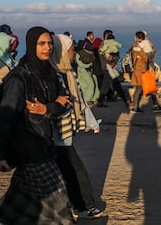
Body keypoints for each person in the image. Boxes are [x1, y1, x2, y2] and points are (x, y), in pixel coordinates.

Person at [0, 26, 74, 224]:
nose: (47, 48)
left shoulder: (49, 74)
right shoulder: (19, 78)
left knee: (19, 206)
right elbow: (5, 117)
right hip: (29, 149)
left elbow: (64, 104)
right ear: (31, 46)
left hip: (45, 144)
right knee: (58, 196)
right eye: (41, 44)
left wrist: (48, 108)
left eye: (49, 44)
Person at [47, 34, 104, 219]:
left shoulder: (67, 73)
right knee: (74, 172)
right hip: (55, 135)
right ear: (62, 52)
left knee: (70, 172)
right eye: (71, 50)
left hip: (64, 134)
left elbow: (80, 101)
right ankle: (84, 207)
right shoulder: (52, 75)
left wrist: (92, 123)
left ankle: (81, 206)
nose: (74, 53)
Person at [130, 31, 161, 113]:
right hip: (142, 70)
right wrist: (151, 49)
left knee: (148, 87)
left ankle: (153, 106)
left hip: (141, 70)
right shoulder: (139, 47)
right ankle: (135, 107)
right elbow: (148, 58)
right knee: (142, 88)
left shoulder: (136, 46)